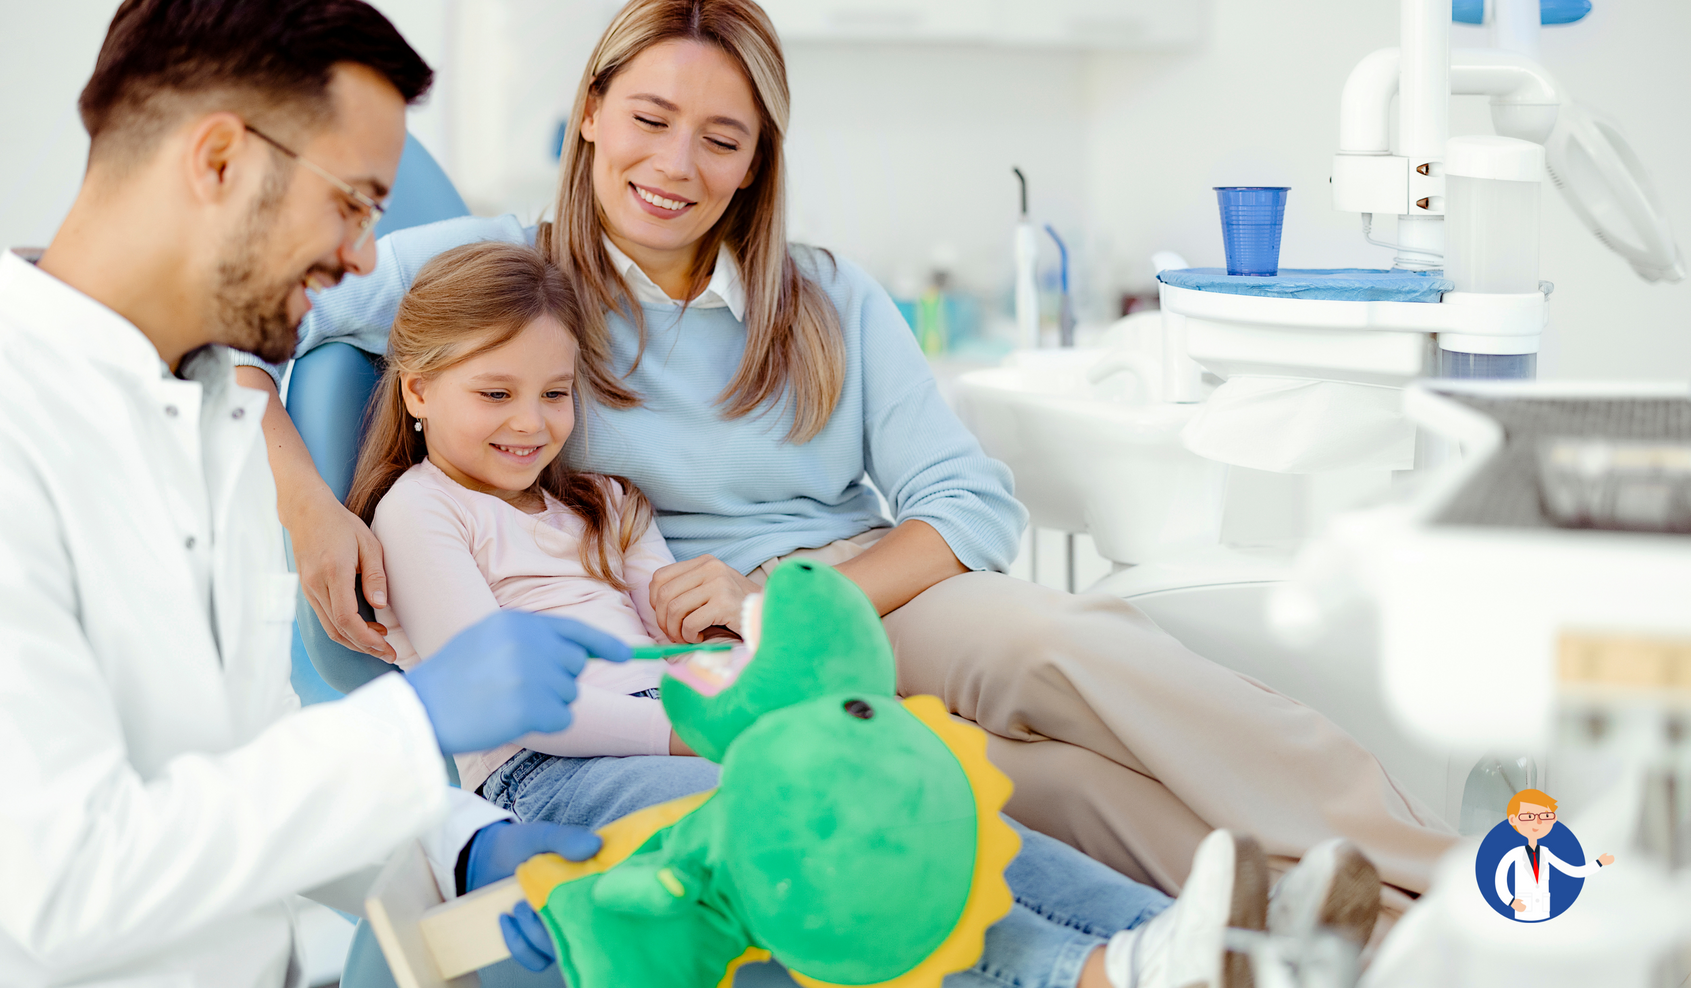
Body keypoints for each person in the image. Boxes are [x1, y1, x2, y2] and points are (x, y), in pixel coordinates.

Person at [237, 0, 1457, 922]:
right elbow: (244, 321)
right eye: (652, 117)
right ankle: (1314, 936)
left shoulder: (821, 297)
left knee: (1053, 643)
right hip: (683, 644)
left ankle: (1437, 878)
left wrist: (794, 599)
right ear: (593, 112)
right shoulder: (499, 278)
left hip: (852, 591)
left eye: (723, 137)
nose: (677, 165)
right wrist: (305, 500)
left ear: (758, 155)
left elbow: (964, 502)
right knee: (1012, 784)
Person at [0, 0, 629, 987]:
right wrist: (413, 725)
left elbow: (247, 762)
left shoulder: (213, 424)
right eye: (354, 205)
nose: (365, 260)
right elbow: (73, 883)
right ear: (222, 160)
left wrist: (464, 843)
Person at [320, 239, 1392, 988]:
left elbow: (684, 631)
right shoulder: (422, 512)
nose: (531, 423)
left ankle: (1192, 949)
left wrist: (735, 646)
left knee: (921, 788)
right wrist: (684, 714)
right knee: (823, 828)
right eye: (493, 394)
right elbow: (505, 698)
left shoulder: (603, 502)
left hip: (698, 722)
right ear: (416, 392)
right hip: (544, 765)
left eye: (553, 394)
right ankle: (1098, 970)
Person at [1492, 789, 1613, 922]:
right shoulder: (1513, 854)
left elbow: (1572, 870)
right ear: (1513, 820)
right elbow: (1499, 880)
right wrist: (1511, 901)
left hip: (1543, 911)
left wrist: (1599, 863)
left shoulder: (1546, 853)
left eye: (1545, 816)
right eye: (1528, 817)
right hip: (1522, 910)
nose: (1537, 822)